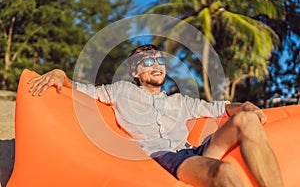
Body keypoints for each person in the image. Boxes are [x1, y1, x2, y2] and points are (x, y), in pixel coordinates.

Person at [28, 44, 283, 187]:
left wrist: (244, 106)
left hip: (197, 149)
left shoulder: (179, 101)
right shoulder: (120, 91)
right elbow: (82, 90)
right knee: (224, 172)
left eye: (160, 62)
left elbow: (221, 107)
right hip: (169, 157)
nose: (157, 66)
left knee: (246, 119)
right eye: (148, 62)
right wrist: (60, 73)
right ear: (135, 71)